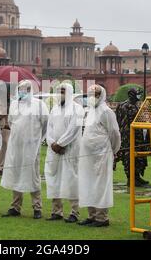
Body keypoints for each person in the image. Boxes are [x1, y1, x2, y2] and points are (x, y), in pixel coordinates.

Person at [1, 80, 49, 219]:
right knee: (16, 174)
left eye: (26, 89)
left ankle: (37, 208)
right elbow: (11, 122)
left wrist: (37, 139)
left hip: (31, 147)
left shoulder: (39, 105)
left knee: (32, 176)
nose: (23, 91)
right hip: (16, 146)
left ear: (31, 90)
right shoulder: (15, 105)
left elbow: (46, 124)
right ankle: (15, 207)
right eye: (21, 89)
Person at [78, 84, 121, 227]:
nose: (92, 97)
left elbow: (114, 133)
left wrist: (113, 151)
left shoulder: (106, 112)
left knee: (100, 184)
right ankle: (92, 215)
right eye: (90, 94)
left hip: (102, 154)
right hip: (87, 155)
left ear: (101, 95)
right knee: (88, 182)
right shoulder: (89, 111)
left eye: (95, 94)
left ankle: (102, 217)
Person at [45, 83, 84, 223]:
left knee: (71, 179)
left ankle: (74, 212)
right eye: (59, 91)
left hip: (70, 150)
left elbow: (74, 129)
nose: (60, 93)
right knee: (54, 178)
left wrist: (61, 144)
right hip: (54, 150)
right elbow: (49, 129)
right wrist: (52, 144)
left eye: (63, 91)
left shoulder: (78, 109)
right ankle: (57, 211)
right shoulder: (54, 109)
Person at [115, 88, 149, 187]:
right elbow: (122, 122)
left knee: (138, 157)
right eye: (137, 94)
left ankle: (137, 177)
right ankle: (131, 179)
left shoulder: (134, 105)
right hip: (128, 137)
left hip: (137, 136)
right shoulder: (125, 106)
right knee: (129, 158)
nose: (139, 97)